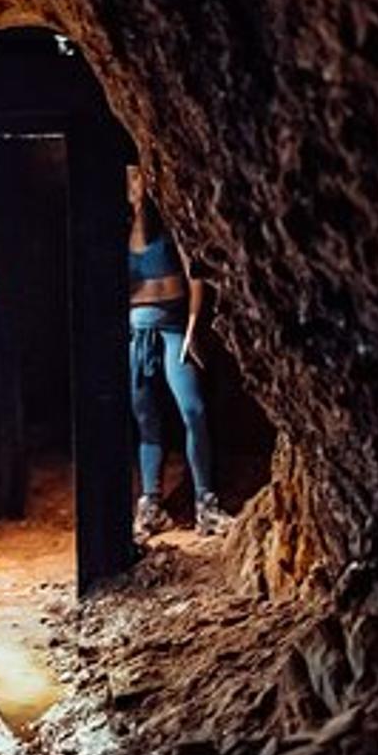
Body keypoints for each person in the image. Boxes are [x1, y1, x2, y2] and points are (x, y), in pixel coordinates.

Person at [126, 164, 234, 540]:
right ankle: (151, 504)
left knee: (193, 409)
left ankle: (207, 503)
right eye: (128, 176)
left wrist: (192, 329)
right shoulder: (118, 230)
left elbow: (196, 275)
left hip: (174, 328)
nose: (133, 183)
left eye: (138, 175)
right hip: (137, 334)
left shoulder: (170, 226)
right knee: (146, 419)